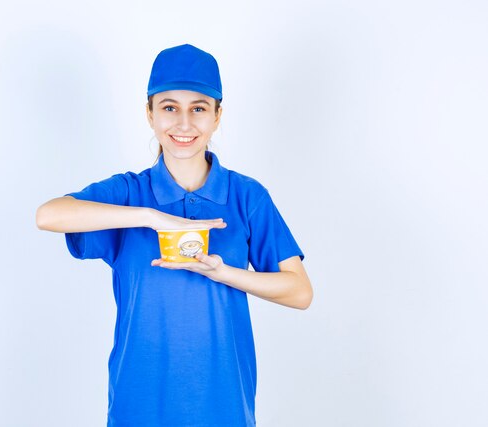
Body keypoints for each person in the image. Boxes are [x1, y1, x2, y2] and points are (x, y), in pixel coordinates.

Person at [36, 43, 313, 427]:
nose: (184, 124)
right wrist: (151, 217)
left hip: (223, 404)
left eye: (198, 108)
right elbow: (48, 215)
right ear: (149, 114)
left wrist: (225, 273)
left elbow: (299, 292)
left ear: (217, 116)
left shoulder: (246, 196)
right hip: (139, 404)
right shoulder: (128, 194)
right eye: (169, 107)